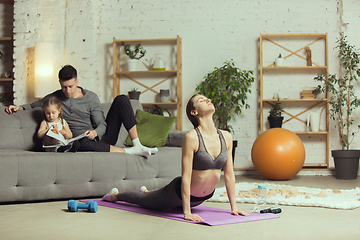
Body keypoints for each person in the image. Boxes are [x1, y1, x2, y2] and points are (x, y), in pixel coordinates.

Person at [102, 93, 249, 222]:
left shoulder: (226, 136)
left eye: (206, 98)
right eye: (201, 100)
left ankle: (147, 191)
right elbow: (186, 177)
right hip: (177, 193)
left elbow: (229, 175)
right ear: (194, 112)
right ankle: (115, 195)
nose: (208, 99)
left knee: (151, 196)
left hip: (202, 198)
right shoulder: (192, 137)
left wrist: (234, 208)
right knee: (144, 201)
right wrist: (187, 212)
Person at [5, 65, 157, 157]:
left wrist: (95, 133)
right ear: (60, 83)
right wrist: (19, 107)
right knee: (80, 142)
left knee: (122, 99)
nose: (67, 90)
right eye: (64, 87)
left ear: (77, 82)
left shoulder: (91, 98)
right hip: (79, 141)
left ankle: (137, 145)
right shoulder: (55, 97)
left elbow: (102, 125)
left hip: (101, 138)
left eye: (71, 86)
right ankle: (129, 152)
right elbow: (35, 104)